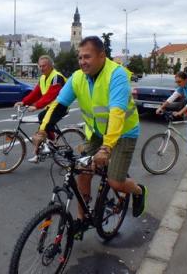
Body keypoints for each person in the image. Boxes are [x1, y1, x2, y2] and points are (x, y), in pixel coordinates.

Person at [37, 36, 147, 239]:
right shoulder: (77, 77)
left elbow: (116, 113)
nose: (82, 61)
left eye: (87, 56)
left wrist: (106, 148)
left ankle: (138, 191)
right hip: (97, 132)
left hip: (123, 132)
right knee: (82, 171)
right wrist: (43, 131)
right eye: (80, 57)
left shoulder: (116, 75)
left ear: (101, 56)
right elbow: (59, 105)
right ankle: (82, 219)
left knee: (115, 181)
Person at [14, 55, 66, 163]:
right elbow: (36, 93)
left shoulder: (56, 77)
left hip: (61, 106)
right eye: (40, 66)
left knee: (43, 121)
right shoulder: (42, 78)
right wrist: (24, 102)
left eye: (44, 66)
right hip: (51, 107)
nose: (42, 68)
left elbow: (50, 95)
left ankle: (51, 143)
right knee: (41, 118)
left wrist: (36, 106)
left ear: (51, 66)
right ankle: (51, 142)